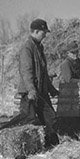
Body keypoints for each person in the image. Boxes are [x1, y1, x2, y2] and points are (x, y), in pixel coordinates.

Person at [17, 18, 59, 146]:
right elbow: (26, 71)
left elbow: (43, 73)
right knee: (29, 122)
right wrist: (31, 90)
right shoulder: (27, 48)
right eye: (43, 32)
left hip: (41, 91)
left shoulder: (39, 47)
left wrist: (51, 89)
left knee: (51, 118)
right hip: (30, 92)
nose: (45, 35)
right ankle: (25, 149)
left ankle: (51, 146)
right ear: (35, 31)